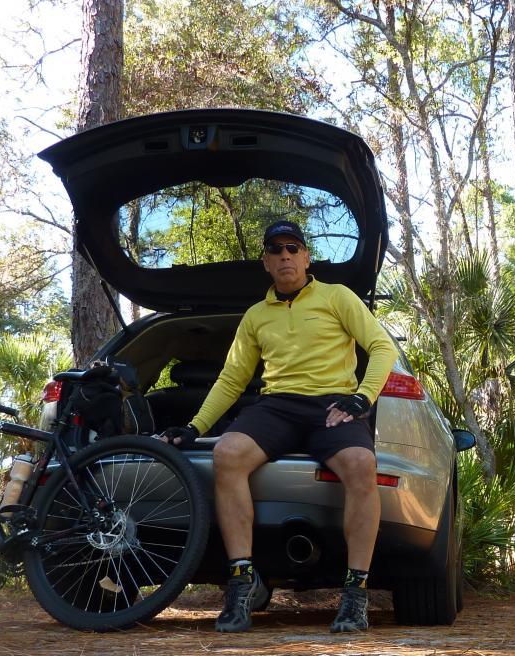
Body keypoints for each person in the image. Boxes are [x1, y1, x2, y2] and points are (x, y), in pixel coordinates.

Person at [161, 220, 396, 634]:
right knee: (226, 454)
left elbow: (381, 347)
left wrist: (361, 398)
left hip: (331, 406)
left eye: (293, 248)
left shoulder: (337, 296)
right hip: (277, 407)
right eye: (276, 250)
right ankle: (240, 584)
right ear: (267, 263)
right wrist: (195, 426)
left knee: (361, 464)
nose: (285, 256)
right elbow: (232, 379)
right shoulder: (255, 316)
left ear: (306, 257)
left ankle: (355, 594)